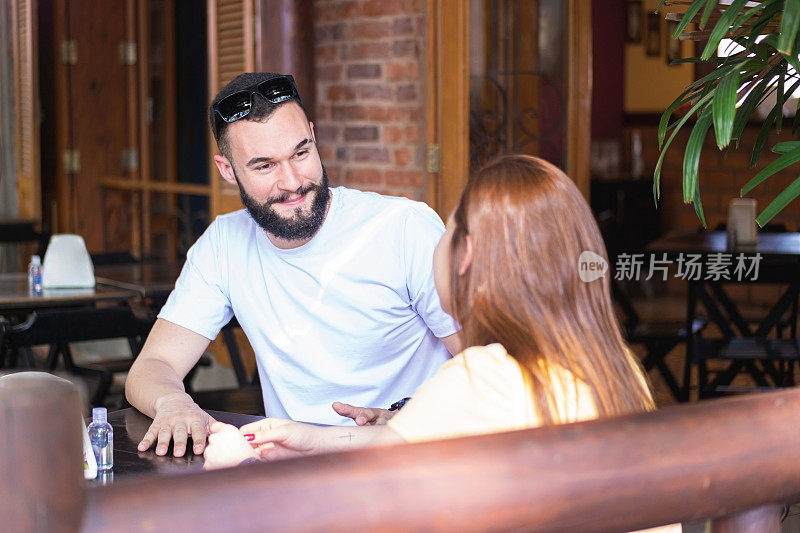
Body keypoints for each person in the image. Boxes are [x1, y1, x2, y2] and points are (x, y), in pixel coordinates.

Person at [203, 153, 660, 463]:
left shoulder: (484, 377)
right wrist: (308, 438)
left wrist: (235, 464)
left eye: (450, 225)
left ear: (465, 256)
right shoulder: (614, 367)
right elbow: (402, 440)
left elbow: (369, 491)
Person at [125, 72, 459, 457]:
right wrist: (173, 403)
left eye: (301, 153)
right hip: (291, 474)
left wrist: (411, 413)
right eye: (265, 166)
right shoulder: (223, 244)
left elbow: (490, 363)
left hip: (407, 461)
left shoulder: (404, 229)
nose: (293, 182)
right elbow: (152, 365)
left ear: (314, 138)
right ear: (228, 170)